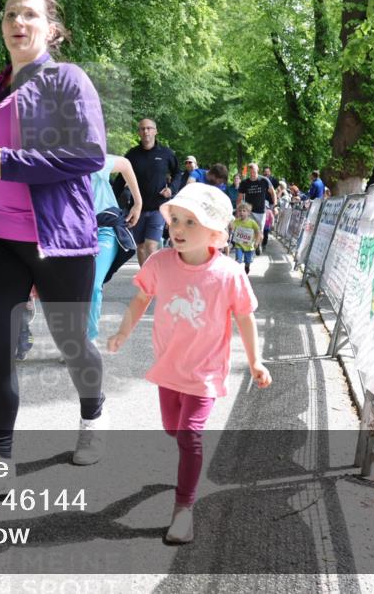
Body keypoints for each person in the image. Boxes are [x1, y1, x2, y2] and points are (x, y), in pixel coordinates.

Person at [0, 0, 107, 473]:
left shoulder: (67, 80)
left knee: (72, 345)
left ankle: (92, 415)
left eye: (30, 15)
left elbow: (90, 153)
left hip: (58, 240)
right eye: (10, 14)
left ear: (51, 28)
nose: (18, 22)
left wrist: (19, 163)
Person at [107, 183, 271, 544]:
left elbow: (244, 317)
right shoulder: (159, 262)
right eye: (175, 220)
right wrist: (122, 333)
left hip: (205, 372)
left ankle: (183, 508)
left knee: (189, 435)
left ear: (214, 232)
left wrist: (255, 361)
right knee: (173, 429)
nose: (178, 229)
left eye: (190, 222)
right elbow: (141, 299)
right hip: (169, 368)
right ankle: (186, 467)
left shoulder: (229, 273)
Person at [88, 154, 142, 342]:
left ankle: (88, 339)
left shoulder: (92, 159)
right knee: (74, 287)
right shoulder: (54, 161)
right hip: (74, 233)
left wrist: (138, 203)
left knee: (93, 284)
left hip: (105, 228)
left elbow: (125, 164)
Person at [119, 118, 178, 266]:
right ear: (139, 132)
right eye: (142, 129)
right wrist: (111, 201)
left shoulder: (166, 153)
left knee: (150, 246)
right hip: (137, 210)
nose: (146, 131)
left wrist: (171, 189)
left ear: (155, 131)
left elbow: (178, 173)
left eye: (149, 128)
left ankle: (153, 277)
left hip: (158, 208)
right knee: (140, 247)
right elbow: (120, 179)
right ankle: (145, 276)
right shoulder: (132, 155)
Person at [236, 163, 275, 248]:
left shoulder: (264, 180)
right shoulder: (244, 183)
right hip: (248, 211)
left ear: (258, 170)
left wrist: (274, 206)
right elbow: (239, 198)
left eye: (254, 172)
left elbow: (272, 192)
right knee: (248, 230)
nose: (252, 174)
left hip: (261, 211)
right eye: (251, 172)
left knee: (259, 231)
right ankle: (247, 249)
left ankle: (258, 244)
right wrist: (238, 211)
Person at [230, 202, 263, 274]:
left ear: (248, 213)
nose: (241, 212)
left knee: (247, 261)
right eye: (240, 211)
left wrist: (257, 242)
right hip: (239, 244)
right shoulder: (236, 221)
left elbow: (258, 232)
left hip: (249, 246)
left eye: (244, 211)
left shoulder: (252, 222)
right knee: (238, 260)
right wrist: (231, 225)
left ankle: (247, 267)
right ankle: (237, 273)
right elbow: (232, 227)